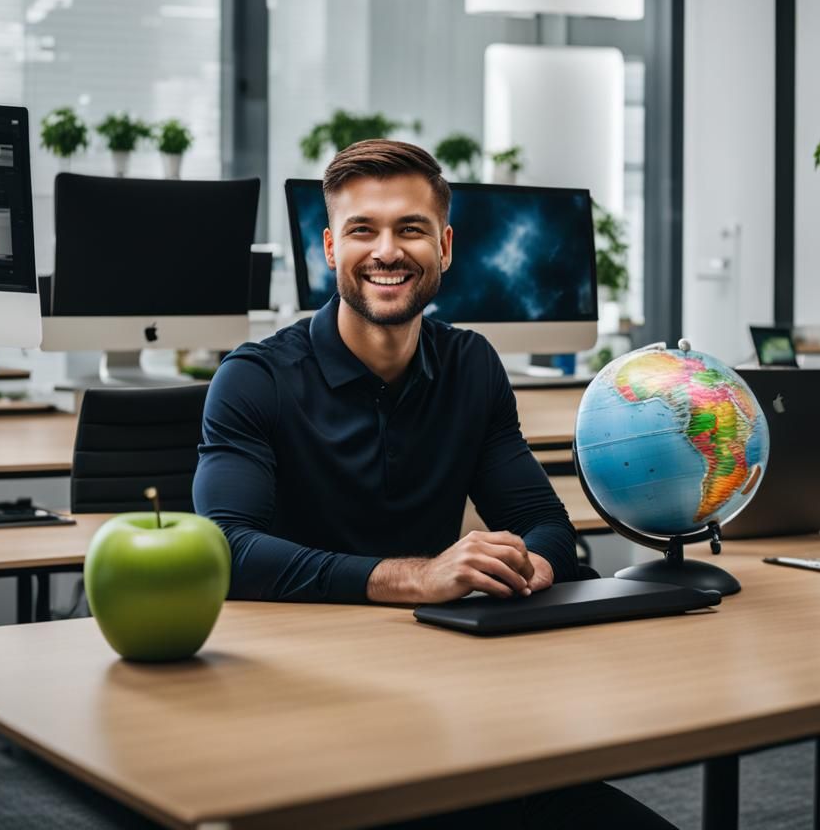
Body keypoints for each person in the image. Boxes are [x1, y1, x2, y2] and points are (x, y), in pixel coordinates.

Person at [193, 139, 676, 830]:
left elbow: (550, 528)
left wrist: (522, 564)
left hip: (442, 701)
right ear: (330, 248)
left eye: (410, 229)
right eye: (363, 230)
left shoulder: (470, 365)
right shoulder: (255, 380)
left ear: (445, 247)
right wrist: (414, 577)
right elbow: (227, 551)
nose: (386, 251)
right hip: (293, 711)